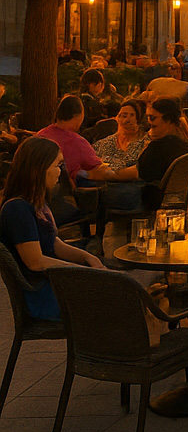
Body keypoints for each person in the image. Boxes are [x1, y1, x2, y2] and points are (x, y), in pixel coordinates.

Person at [1, 137, 105, 322]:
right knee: (118, 294)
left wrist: (87, 258)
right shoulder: (17, 208)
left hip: (54, 283)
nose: (61, 172)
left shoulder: (36, 204)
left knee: (120, 283)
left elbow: (53, 243)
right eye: (58, 165)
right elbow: (36, 262)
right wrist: (84, 272)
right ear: (39, 168)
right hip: (41, 295)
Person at [100, 97, 188, 209]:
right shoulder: (184, 144)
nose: (149, 121)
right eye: (147, 117)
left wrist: (99, 172)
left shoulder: (160, 146)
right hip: (165, 196)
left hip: (147, 198)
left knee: (94, 190)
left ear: (168, 120)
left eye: (153, 117)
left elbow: (129, 174)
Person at [36, 95, 104, 184]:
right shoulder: (78, 142)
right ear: (78, 116)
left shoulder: (41, 134)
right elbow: (97, 167)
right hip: (59, 189)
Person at [94, 96, 148, 175]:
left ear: (137, 119)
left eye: (132, 115)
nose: (127, 119)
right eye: (124, 115)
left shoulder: (145, 142)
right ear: (117, 118)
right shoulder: (105, 143)